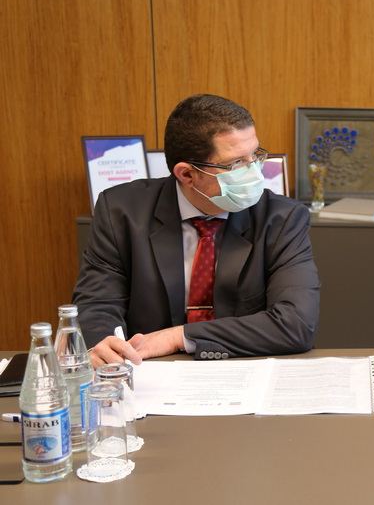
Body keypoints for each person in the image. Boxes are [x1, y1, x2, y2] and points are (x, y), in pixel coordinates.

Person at [74, 94, 320, 367]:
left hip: (243, 369)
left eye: (255, 155)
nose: (254, 171)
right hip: (149, 372)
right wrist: (104, 346)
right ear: (187, 174)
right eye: (237, 164)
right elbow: (97, 306)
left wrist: (178, 337)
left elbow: (296, 324)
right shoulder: (121, 212)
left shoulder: (282, 218)